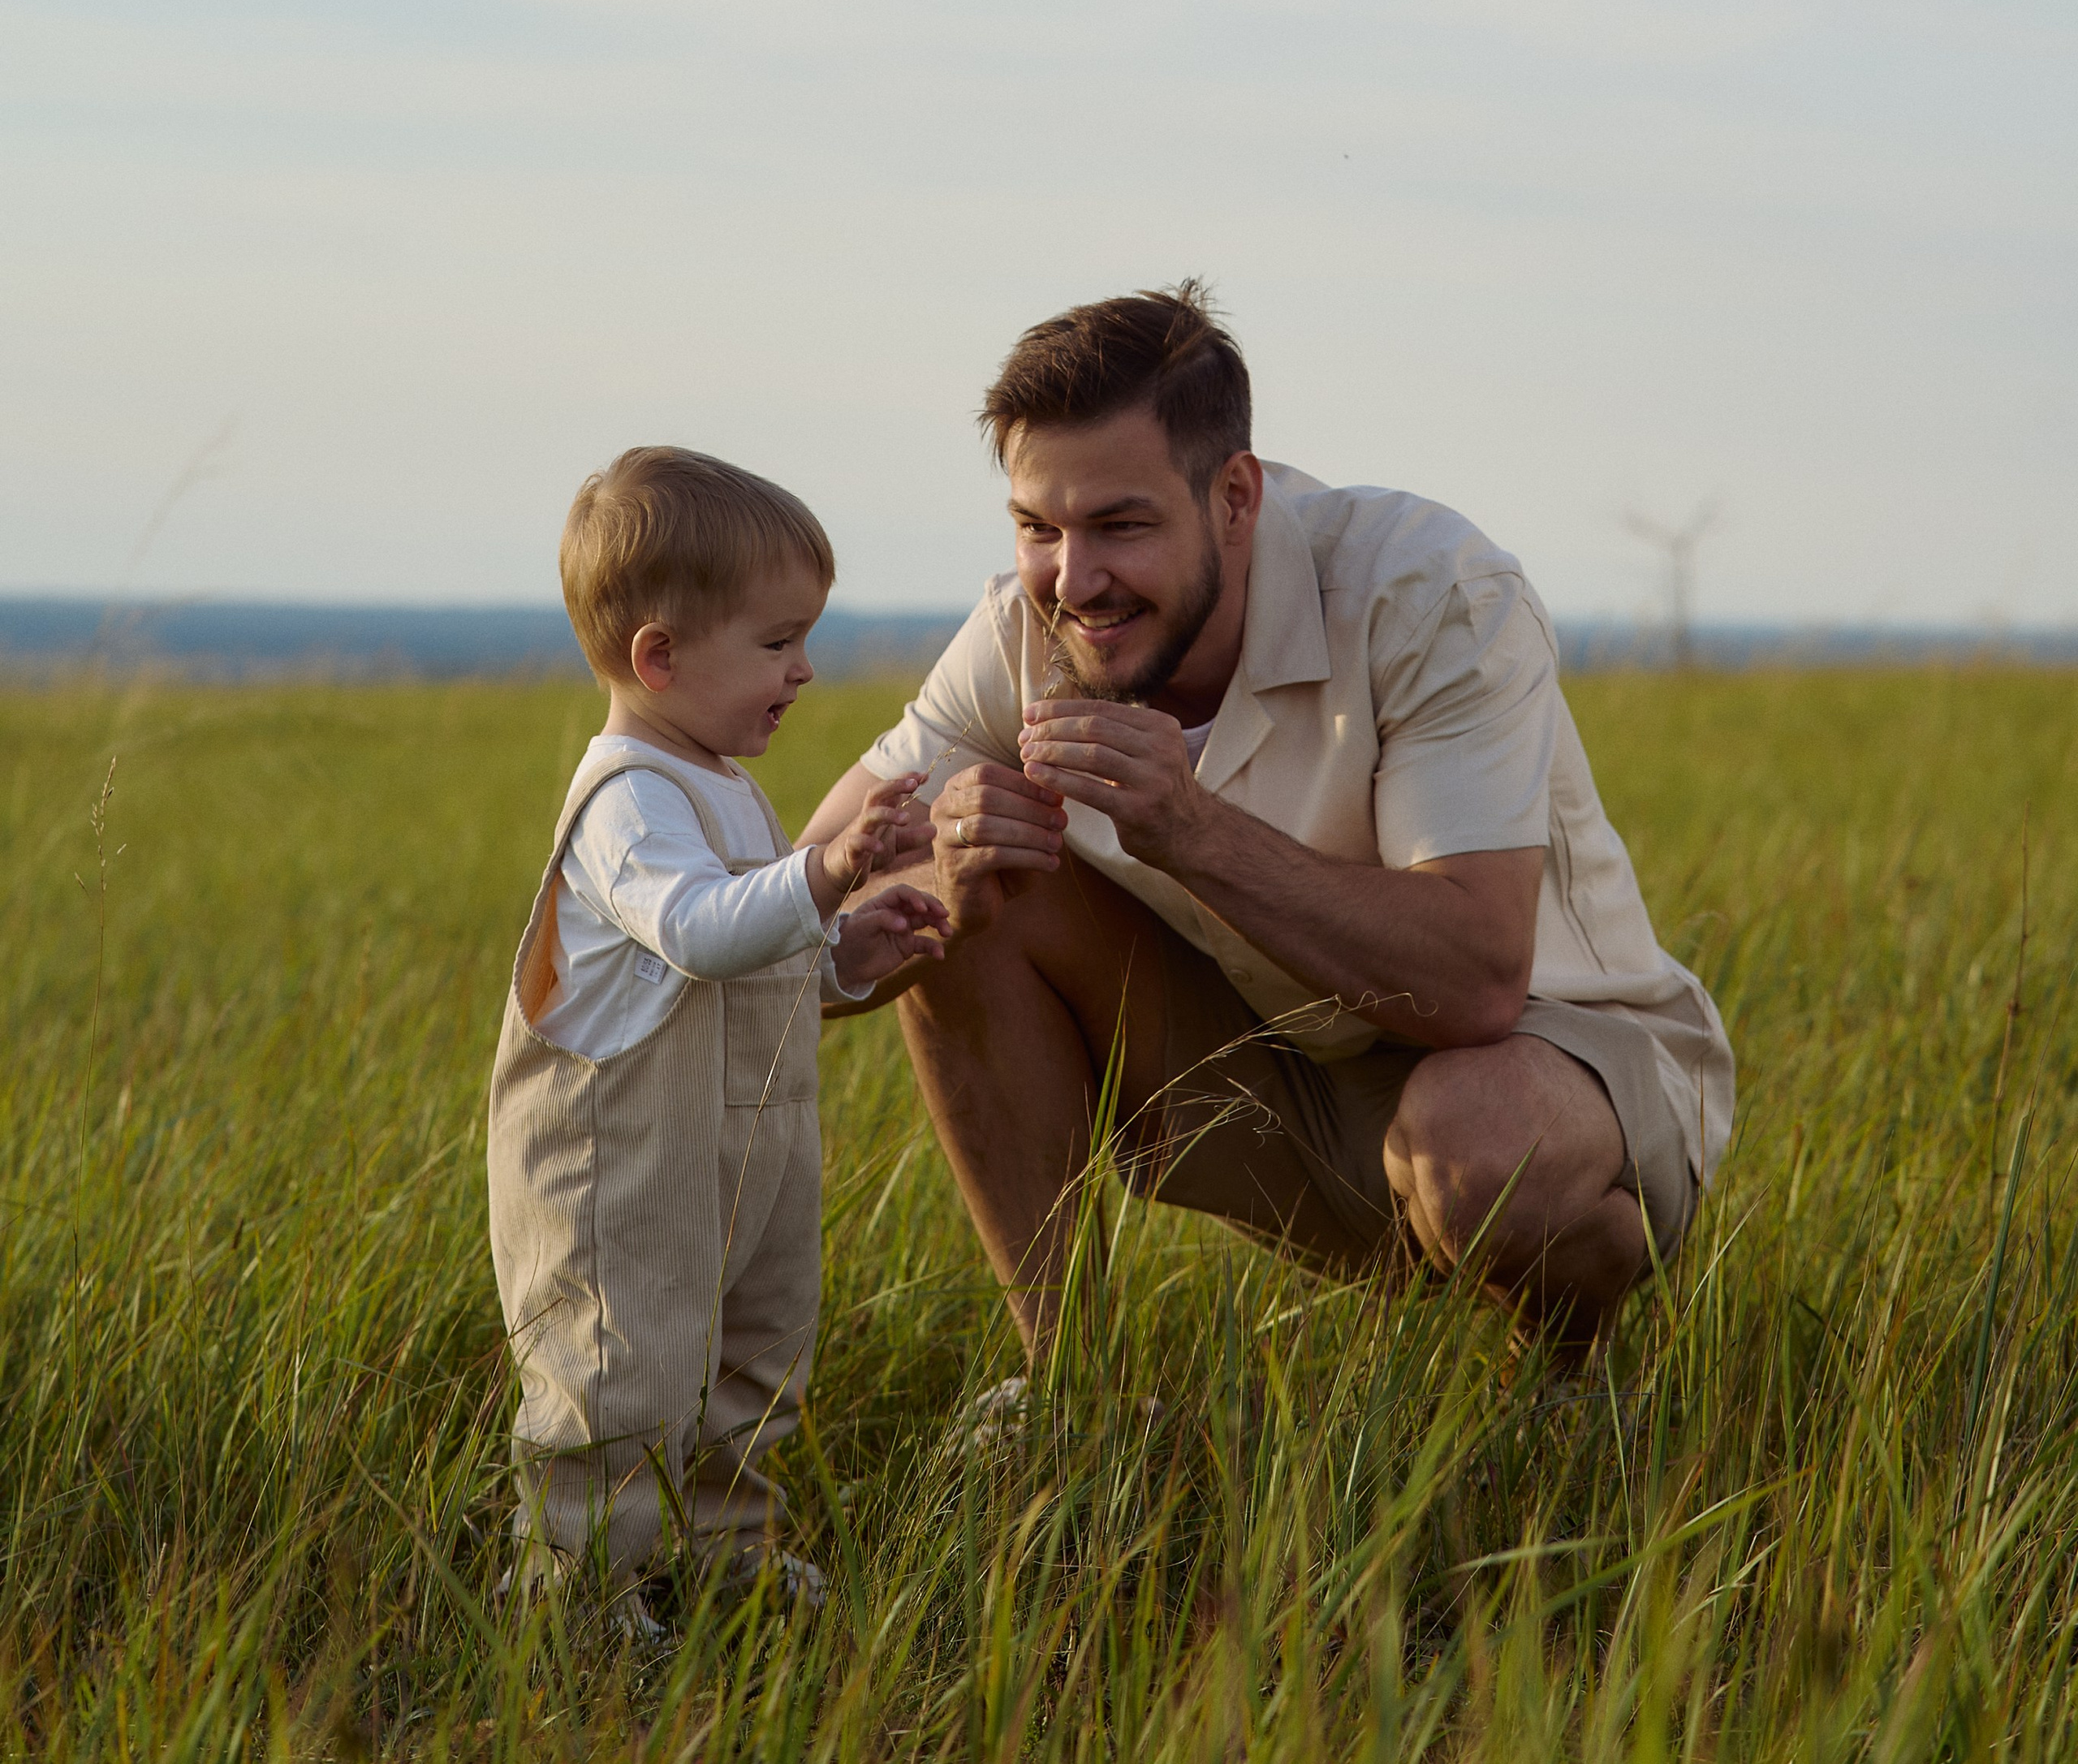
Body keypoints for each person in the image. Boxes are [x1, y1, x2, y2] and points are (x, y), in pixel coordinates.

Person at [801, 286, 1735, 1362]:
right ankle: (1073, 1401)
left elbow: (1478, 979)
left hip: (1550, 1068)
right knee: (972, 898)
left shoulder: (1430, 592)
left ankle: (1580, 1372)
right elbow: (780, 922)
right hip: (1285, 1075)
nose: (1075, 577)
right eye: (1035, 527)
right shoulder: (1020, 634)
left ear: (1234, 494)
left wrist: (1191, 827)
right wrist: (940, 899)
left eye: (1120, 523)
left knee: (1473, 1140)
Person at [486, 446, 948, 1606]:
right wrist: (830, 868)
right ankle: (578, 1592)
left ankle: (723, 1554)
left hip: (742, 1149)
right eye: (777, 640)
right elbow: (693, 929)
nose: (803, 668)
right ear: (661, 655)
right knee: (616, 1370)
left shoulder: (722, 780)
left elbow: (746, 967)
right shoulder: (628, 799)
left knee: (757, 1353)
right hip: (622, 1164)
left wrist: (843, 959)